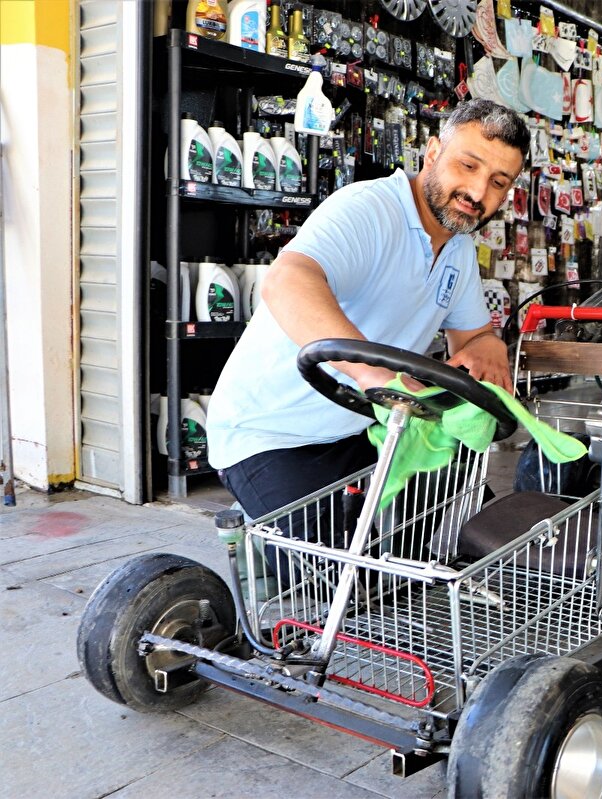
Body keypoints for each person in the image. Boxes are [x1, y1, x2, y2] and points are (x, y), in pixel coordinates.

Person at [207, 99, 528, 577]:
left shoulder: (458, 248)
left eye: (498, 182)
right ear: (433, 151)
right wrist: (372, 372)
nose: (478, 190)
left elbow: (474, 334)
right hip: (271, 434)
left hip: (363, 427)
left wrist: (488, 346)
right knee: (338, 587)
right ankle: (269, 544)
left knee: (462, 501)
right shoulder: (370, 209)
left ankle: (386, 562)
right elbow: (287, 281)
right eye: (468, 165)